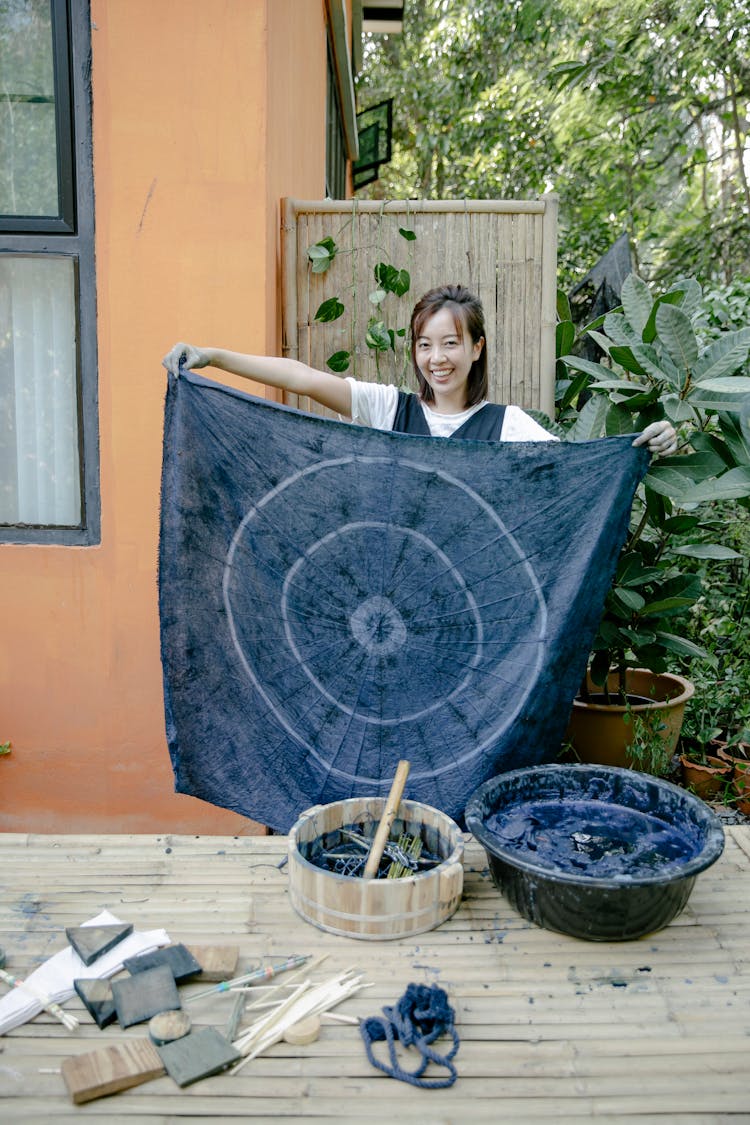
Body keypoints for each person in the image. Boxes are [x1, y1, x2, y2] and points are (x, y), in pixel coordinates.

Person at [162, 284, 678, 454]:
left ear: (477, 348)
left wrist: (650, 447)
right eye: (424, 345)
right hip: (393, 594)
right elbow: (300, 376)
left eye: (451, 343)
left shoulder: (509, 427)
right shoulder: (389, 410)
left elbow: (579, 475)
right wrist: (213, 356)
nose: (437, 359)